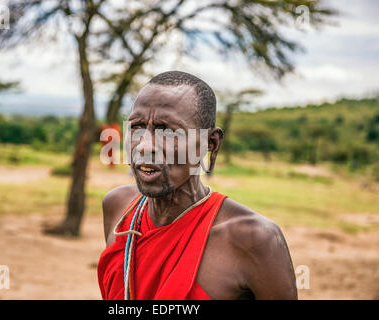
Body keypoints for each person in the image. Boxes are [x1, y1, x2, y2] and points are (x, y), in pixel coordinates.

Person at [97, 71, 297, 300]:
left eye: (168, 131)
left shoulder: (253, 239)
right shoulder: (119, 209)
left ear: (210, 143)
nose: (144, 146)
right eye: (137, 127)